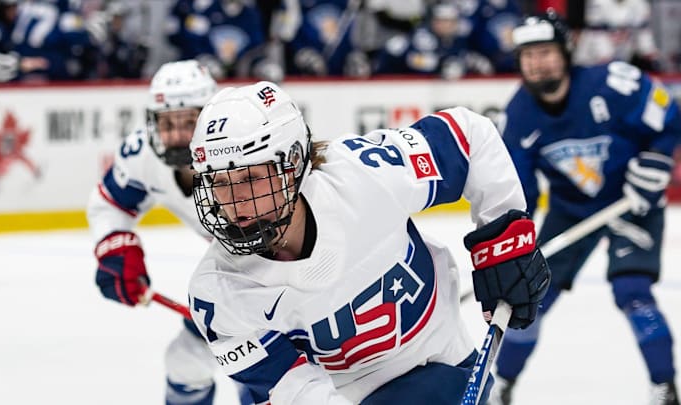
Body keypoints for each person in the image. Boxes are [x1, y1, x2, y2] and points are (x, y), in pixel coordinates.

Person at [185, 80, 551, 404]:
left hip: (443, 364)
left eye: (250, 177)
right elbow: (297, 390)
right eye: (219, 182)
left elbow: (468, 137)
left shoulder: (365, 175)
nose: (235, 202)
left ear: (293, 162)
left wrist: (505, 239)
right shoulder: (217, 294)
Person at [492, 10, 680, 405]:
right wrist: (514, 243)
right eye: (528, 55)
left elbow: (668, 114)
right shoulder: (519, 115)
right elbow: (520, 193)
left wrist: (659, 158)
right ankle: (503, 385)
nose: (537, 63)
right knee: (532, 301)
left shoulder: (612, 83)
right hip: (570, 209)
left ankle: (665, 388)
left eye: (545, 52)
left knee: (633, 290)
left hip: (632, 200)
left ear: (566, 50)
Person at [86, 60, 252, 405]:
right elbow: (110, 204)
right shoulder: (143, 154)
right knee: (186, 364)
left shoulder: (248, 153)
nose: (177, 136)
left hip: (293, 279)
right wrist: (117, 248)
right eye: (168, 123)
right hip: (230, 277)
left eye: (189, 122)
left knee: (272, 380)